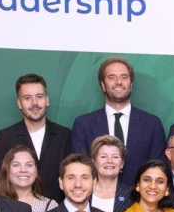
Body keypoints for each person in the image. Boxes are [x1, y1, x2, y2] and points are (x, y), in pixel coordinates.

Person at [70, 57, 167, 185]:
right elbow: (80, 168)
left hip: (139, 196)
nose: (119, 82)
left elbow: (158, 170)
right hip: (96, 195)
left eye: (124, 77)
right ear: (103, 85)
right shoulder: (83, 124)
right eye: (112, 77)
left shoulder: (152, 124)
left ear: (131, 84)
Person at [0, 73, 74, 202]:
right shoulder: (4, 138)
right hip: (14, 210)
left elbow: (72, 178)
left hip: (58, 211)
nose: (34, 103)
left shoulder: (65, 136)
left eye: (39, 97)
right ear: (19, 103)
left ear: (47, 100)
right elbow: (0, 181)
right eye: (27, 98)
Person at [90, 135, 133, 212]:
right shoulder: (84, 191)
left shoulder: (131, 195)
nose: (110, 161)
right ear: (94, 162)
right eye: (103, 156)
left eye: (115, 157)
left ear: (122, 163)